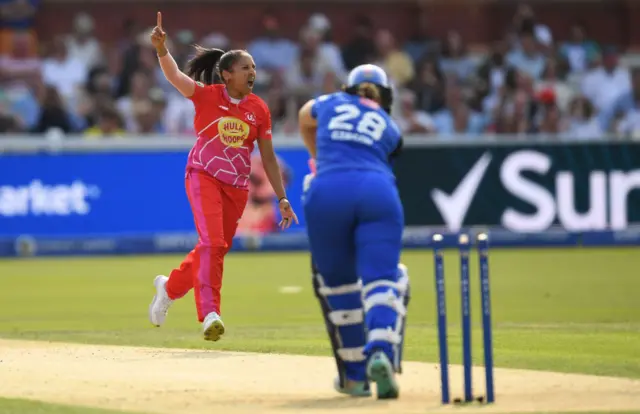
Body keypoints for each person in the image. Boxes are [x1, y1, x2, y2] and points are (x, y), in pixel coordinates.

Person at [147, 12, 298, 342]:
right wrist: (162, 49)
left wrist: (283, 198)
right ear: (227, 74)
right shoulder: (206, 95)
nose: (253, 73)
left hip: (237, 187)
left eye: (254, 68)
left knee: (214, 248)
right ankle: (210, 314)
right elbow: (174, 76)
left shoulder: (258, 109)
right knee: (212, 244)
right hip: (203, 176)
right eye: (246, 68)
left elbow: (269, 159)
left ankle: (169, 289)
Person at [298, 64, 409, 399]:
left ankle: (355, 378)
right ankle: (380, 350)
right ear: (385, 95)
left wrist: (319, 156)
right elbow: (385, 154)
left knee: (339, 287)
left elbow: (305, 116)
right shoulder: (390, 126)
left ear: (349, 88)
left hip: (328, 190)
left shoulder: (330, 102)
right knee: (383, 279)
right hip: (378, 192)